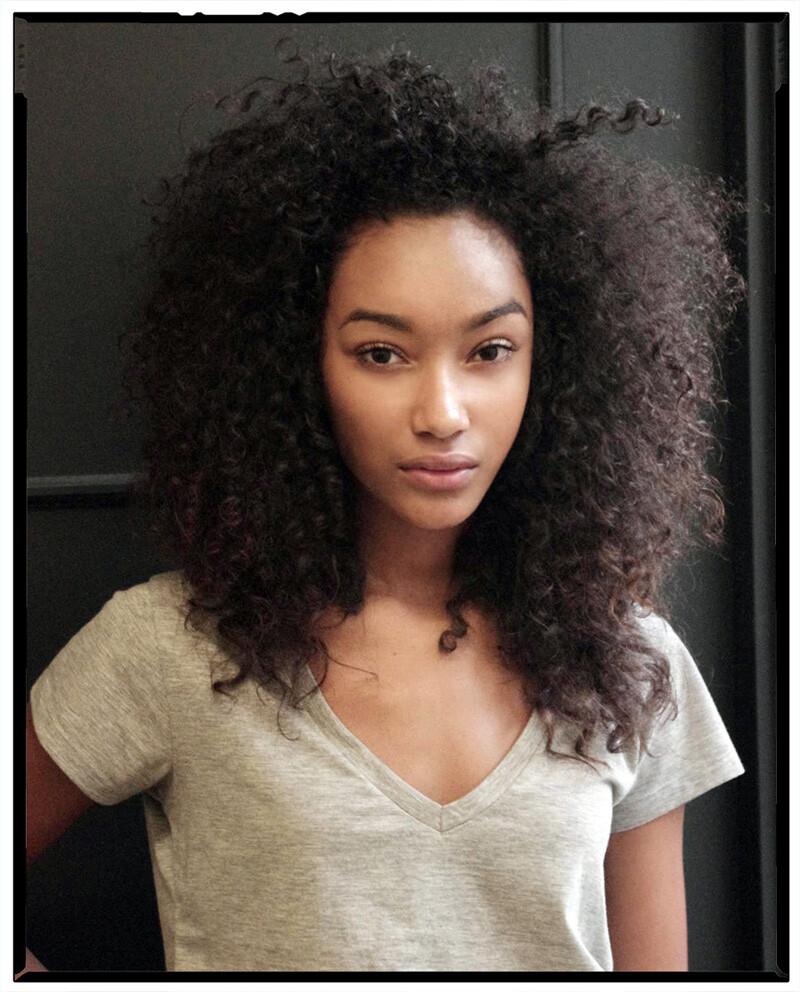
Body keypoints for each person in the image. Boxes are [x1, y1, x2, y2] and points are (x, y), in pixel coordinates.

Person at [26, 49, 746, 973]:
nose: (442, 412)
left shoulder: (627, 662)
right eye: (381, 353)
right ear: (297, 367)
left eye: (490, 350)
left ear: (554, 365)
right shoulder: (171, 648)